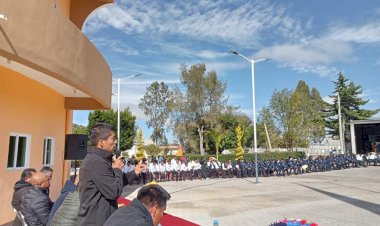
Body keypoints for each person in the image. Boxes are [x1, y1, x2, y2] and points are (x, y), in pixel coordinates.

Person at [77, 123, 145, 226]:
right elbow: (113, 192)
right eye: (112, 139)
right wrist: (117, 169)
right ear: (101, 142)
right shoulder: (97, 162)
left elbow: (112, 182)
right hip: (96, 221)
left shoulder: (97, 159)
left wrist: (134, 172)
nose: (115, 142)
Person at [104, 183, 171, 226]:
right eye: (162, 211)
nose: (162, 215)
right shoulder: (142, 223)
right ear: (155, 209)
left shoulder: (121, 211)